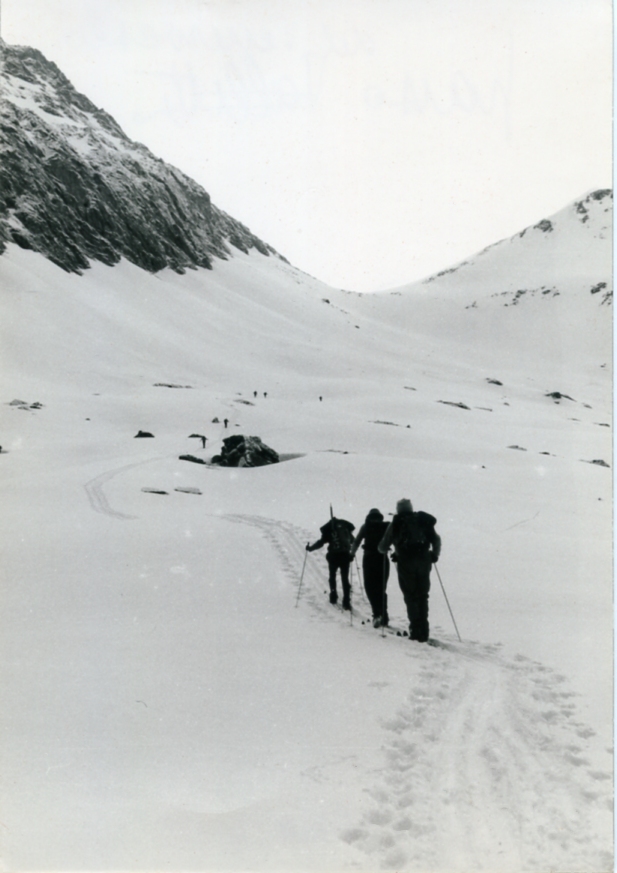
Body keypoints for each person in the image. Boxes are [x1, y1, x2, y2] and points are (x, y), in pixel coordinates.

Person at [378, 499, 441, 642]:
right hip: (424, 561)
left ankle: (415, 629)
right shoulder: (423, 521)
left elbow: (382, 546)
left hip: (406, 562)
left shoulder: (396, 523)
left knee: (410, 595)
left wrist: (392, 550)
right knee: (423, 595)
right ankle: (424, 631)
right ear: (411, 508)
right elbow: (436, 539)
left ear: (398, 509)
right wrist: (434, 555)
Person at [350, 508, 390, 627]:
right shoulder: (385, 527)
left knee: (370, 587)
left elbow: (357, 541)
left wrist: (351, 554)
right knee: (381, 588)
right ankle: (383, 615)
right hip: (383, 559)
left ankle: (377, 614)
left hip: (369, 559)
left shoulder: (365, 527)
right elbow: (393, 539)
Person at [306, 515, 355, 609]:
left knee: (332, 576)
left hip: (333, 557)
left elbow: (321, 542)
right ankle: (346, 601)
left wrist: (310, 548)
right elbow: (352, 540)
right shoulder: (345, 527)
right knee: (345, 578)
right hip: (345, 556)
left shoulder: (328, 529)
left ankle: (333, 596)